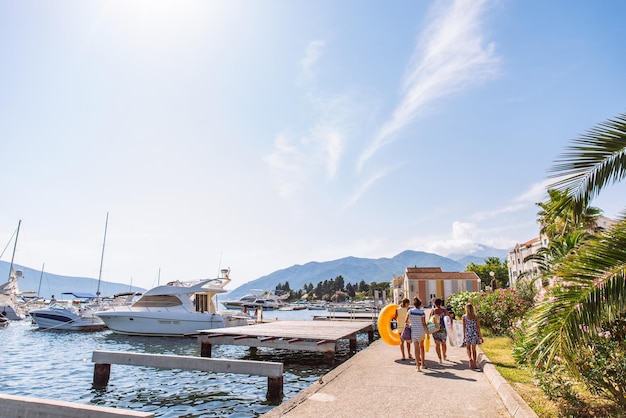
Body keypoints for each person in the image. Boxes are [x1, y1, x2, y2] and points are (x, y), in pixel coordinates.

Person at [405, 296, 428, 372]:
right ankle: (423, 364)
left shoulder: (410, 311)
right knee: (422, 347)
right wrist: (427, 332)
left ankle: (417, 366)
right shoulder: (422, 312)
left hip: (414, 332)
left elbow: (406, 321)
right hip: (421, 332)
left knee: (416, 349)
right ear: (420, 305)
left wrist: (411, 324)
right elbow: (424, 323)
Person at [430, 298, 451, 364]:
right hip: (443, 329)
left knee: (437, 344)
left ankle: (440, 358)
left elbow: (429, 320)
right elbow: (450, 318)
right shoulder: (444, 311)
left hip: (435, 329)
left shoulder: (433, 311)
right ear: (441, 303)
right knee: (443, 343)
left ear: (435, 304)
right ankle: (444, 355)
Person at [463, 302, 483, 370]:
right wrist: (481, 337)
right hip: (474, 334)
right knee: (474, 349)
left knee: (468, 348)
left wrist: (464, 336)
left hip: (468, 334)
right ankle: (474, 362)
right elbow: (478, 327)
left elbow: (464, 327)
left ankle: (470, 359)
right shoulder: (475, 317)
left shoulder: (464, 317)